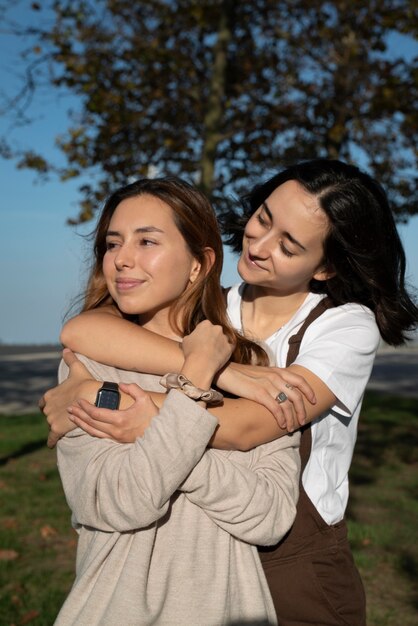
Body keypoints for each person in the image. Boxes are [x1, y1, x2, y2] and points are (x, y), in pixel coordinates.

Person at [42, 159, 418, 626]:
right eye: (263, 217)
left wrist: (108, 398)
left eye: (289, 244)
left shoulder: (344, 327)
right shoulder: (215, 305)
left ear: (326, 268)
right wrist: (225, 373)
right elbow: (85, 328)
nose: (258, 245)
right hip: (189, 560)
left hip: (294, 559)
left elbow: (253, 425)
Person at [49, 176, 302, 626]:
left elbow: (270, 516)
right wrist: (195, 380)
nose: (122, 260)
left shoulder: (253, 368)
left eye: (147, 241)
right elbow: (120, 500)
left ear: (198, 264)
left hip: (232, 611)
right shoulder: (88, 366)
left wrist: (159, 431)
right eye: (112, 244)